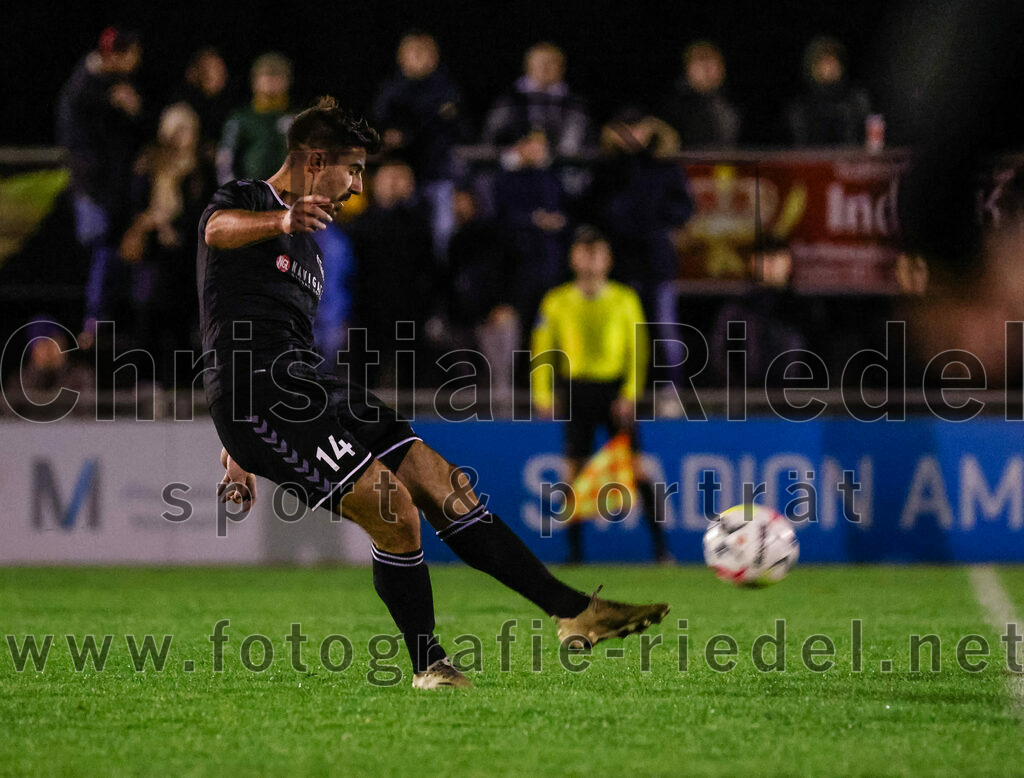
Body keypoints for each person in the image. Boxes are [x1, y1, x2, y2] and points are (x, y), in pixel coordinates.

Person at [198, 97, 668, 689]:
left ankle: (572, 611)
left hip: (310, 384)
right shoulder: (245, 202)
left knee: (441, 481)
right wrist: (282, 222)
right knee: (394, 511)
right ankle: (429, 666)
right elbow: (217, 233)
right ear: (316, 160)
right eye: (354, 169)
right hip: (256, 397)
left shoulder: (313, 248)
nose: (358, 183)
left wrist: (237, 458)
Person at [530, 227, 671, 564]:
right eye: (584, 253)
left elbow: (638, 350)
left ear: (607, 260)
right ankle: (575, 553)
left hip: (613, 394)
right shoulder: (557, 300)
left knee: (636, 470)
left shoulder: (624, 298)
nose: (590, 261)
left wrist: (630, 393)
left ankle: (661, 550)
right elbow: (542, 350)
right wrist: (543, 392)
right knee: (573, 473)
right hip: (576, 391)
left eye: (597, 254)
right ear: (573, 258)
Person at [56, 26, 146, 341]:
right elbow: (79, 145)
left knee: (118, 254)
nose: (136, 61)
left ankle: (103, 322)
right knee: (101, 248)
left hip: (116, 187)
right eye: (131, 54)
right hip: (94, 188)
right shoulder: (83, 88)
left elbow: (131, 131)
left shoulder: (116, 84)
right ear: (116, 56)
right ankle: (92, 322)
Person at [120, 102, 215, 387]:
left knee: (184, 322)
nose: (182, 136)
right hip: (154, 253)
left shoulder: (201, 166)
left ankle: (184, 386)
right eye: (177, 129)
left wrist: (176, 226)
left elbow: (206, 208)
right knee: (148, 316)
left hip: (187, 253)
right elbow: (134, 201)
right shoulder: (150, 161)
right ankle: (146, 382)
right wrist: (152, 221)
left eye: (188, 129)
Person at [372, 31, 469, 259]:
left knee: (441, 235)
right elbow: (376, 129)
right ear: (402, 57)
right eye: (413, 53)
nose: (420, 58)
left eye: (425, 53)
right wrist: (390, 136)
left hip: (437, 176)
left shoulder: (448, 90)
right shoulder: (391, 91)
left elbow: (461, 131)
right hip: (401, 177)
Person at [483, 42, 591, 163]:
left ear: (562, 67)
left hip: (561, 170)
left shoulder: (575, 105)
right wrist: (517, 151)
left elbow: (578, 144)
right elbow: (490, 140)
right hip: (512, 169)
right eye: (539, 62)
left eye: (551, 62)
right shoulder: (508, 101)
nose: (545, 68)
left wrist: (547, 153)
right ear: (528, 65)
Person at [217, 52, 294, 183]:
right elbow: (225, 159)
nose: (271, 80)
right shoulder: (241, 117)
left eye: (277, 75)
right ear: (255, 80)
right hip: (253, 195)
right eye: (266, 75)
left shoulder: (299, 116)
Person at [784, 36, 872, 147]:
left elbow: (868, 141)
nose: (829, 67)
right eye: (822, 62)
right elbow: (799, 146)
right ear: (812, 67)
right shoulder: (800, 107)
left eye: (833, 60)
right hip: (814, 162)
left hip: (849, 161)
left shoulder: (857, 101)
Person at [659, 41, 741, 148]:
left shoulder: (734, 103)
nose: (707, 68)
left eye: (712, 61)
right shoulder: (674, 107)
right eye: (700, 61)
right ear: (687, 68)